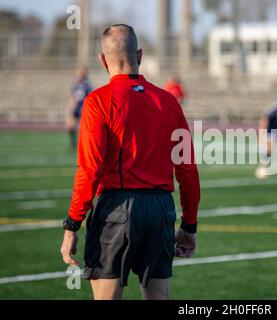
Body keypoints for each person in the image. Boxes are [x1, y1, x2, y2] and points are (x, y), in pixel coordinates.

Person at [60, 24, 201, 300]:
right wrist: (189, 226)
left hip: (116, 209)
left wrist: (72, 224)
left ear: (102, 60)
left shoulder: (97, 101)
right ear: (140, 54)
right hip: (161, 209)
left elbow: (90, 169)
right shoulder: (169, 102)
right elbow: (187, 170)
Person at [66, 67, 92, 151]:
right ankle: (73, 144)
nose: (79, 74)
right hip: (76, 107)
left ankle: (85, 145)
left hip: (83, 107)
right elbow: (73, 97)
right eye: (77, 73)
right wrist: (70, 109)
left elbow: (90, 97)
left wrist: (86, 107)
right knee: (70, 126)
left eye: (80, 73)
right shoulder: (76, 84)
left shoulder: (87, 84)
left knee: (84, 128)